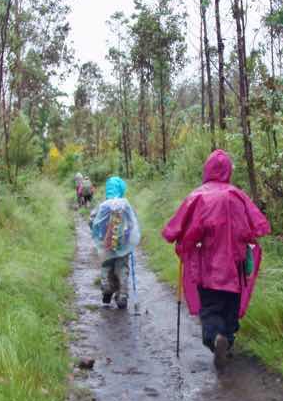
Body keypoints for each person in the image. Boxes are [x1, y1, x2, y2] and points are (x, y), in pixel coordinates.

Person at [162, 149, 270, 367]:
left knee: (210, 308)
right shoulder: (238, 196)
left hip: (208, 268)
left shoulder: (198, 196)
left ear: (207, 169)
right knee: (230, 308)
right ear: (229, 170)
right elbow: (255, 228)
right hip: (236, 269)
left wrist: (180, 241)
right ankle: (227, 341)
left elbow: (183, 228)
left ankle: (215, 339)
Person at [89, 176, 141, 310]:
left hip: (106, 244)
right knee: (122, 268)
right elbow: (134, 222)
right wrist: (131, 238)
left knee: (106, 266)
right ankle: (122, 295)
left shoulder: (103, 206)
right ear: (121, 189)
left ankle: (106, 288)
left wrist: (98, 234)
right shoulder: (126, 205)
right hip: (123, 244)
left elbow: (92, 221)